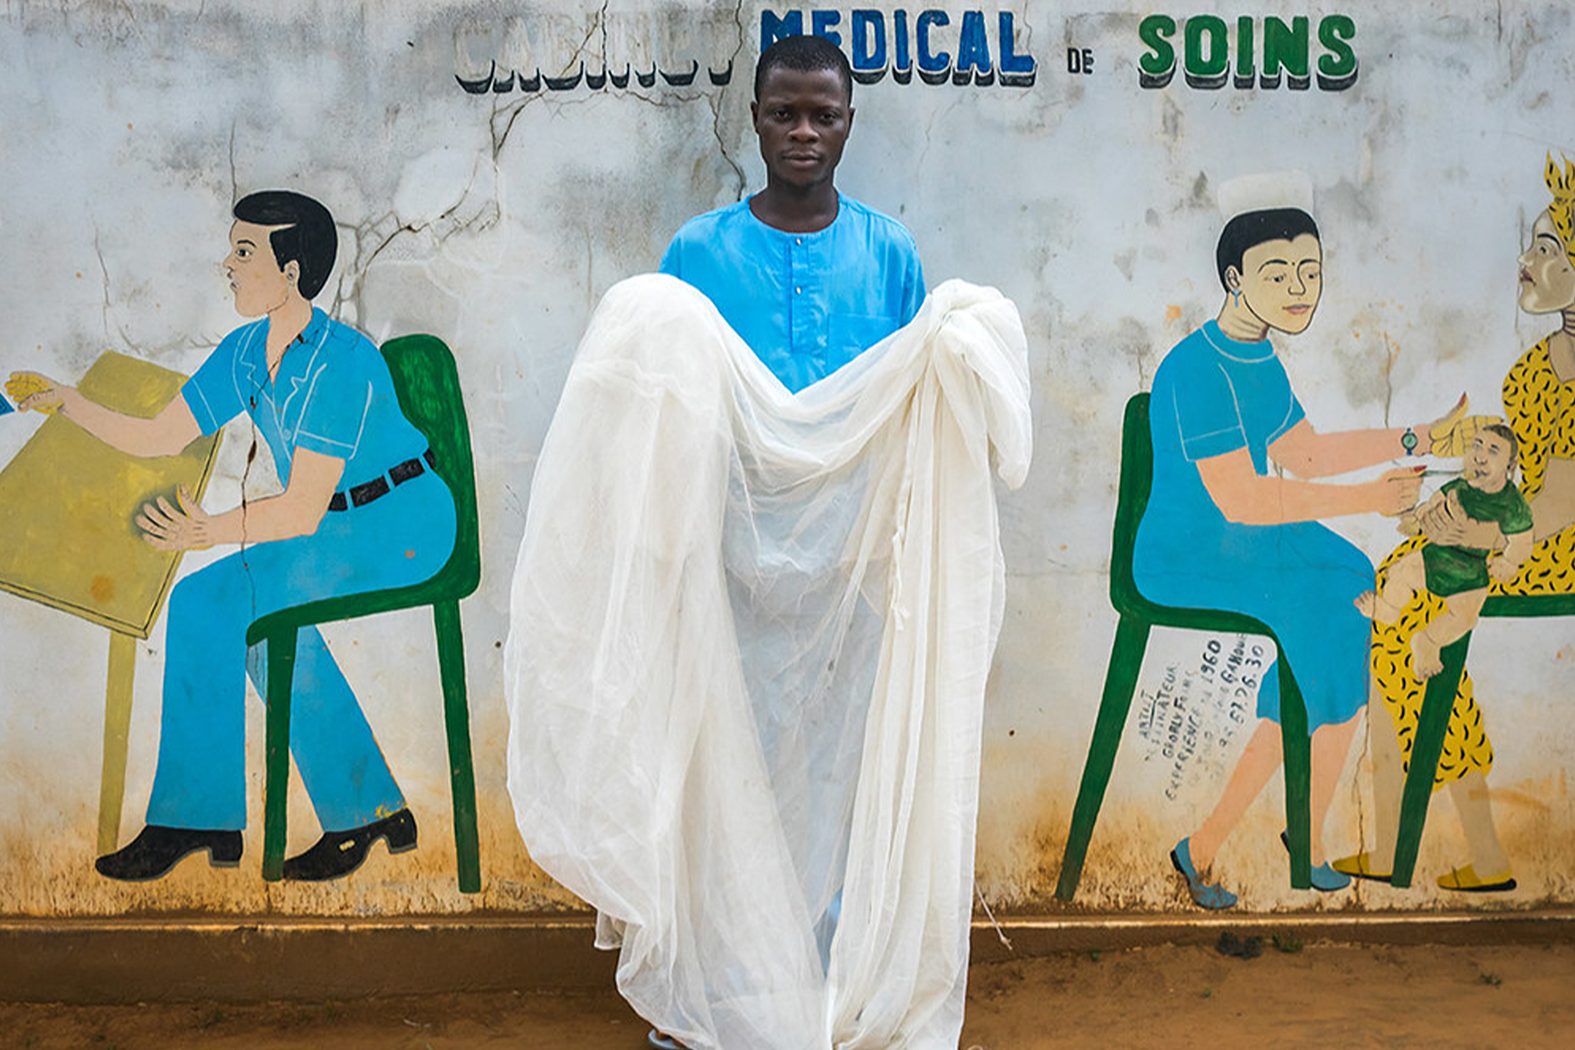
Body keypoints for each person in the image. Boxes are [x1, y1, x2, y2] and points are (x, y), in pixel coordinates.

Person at [506, 34, 1028, 1050]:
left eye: (821, 115)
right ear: (752, 118)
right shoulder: (698, 255)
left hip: (849, 572)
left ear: (847, 124)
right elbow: (658, 408)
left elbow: (909, 414)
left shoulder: (891, 253)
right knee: (719, 780)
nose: (802, 132)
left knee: (835, 781)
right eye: (783, 113)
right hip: (728, 571)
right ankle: (716, 993)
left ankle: (828, 990)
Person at [6, 191, 456, 882]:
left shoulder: (342, 361)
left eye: (244, 251)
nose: (227, 263)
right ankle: (362, 813)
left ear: (292, 273)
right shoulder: (246, 352)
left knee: (211, 603)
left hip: (400, 523)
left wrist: (207, 531)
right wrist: (65, 400)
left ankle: (203, 820)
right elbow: (161, 436)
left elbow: (300, 512)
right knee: (235, 612)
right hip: (337, 523)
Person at [1132, 190, 1459, 909]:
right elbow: (1241, 500)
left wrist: (1416, 439)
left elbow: (1304, 457)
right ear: (1233, 280)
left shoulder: (1258, 359)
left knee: (1348, 572)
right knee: (1330, 594)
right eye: (1276, 272)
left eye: (1308, 272)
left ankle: (1219, 843)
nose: (1297, 288)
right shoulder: (1195, 367)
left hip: (1242, 544)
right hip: (1187, 552)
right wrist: (1370, 498)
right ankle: (1298, 839)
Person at [1338, 155, 1575, 894]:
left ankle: (1419, 848)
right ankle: (1465, 852)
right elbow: (1511, 450)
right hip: (1513, 523)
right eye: (1532, 245)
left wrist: (1486, 535)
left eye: (1547, 250)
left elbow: (1561, 502)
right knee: (1402, 615)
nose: (1526, 261)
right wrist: (1447, 450)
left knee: (1411, 612)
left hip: (1548, 545)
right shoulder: (1540, 364)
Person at [1356, 425, 1533, 679]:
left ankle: (1428, 642)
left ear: (1510, 464)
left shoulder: (1511, 503)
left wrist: (1510, 562)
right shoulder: (1460, 486)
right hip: (1438, 557)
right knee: (1402, 571)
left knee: (1465, 618)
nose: (1480, 456)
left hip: (1472, 571)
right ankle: (1387, 609)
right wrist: (1417, 518)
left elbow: (1523, 540)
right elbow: (1433, 503)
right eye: (1477, 445)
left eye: (1493, 451)